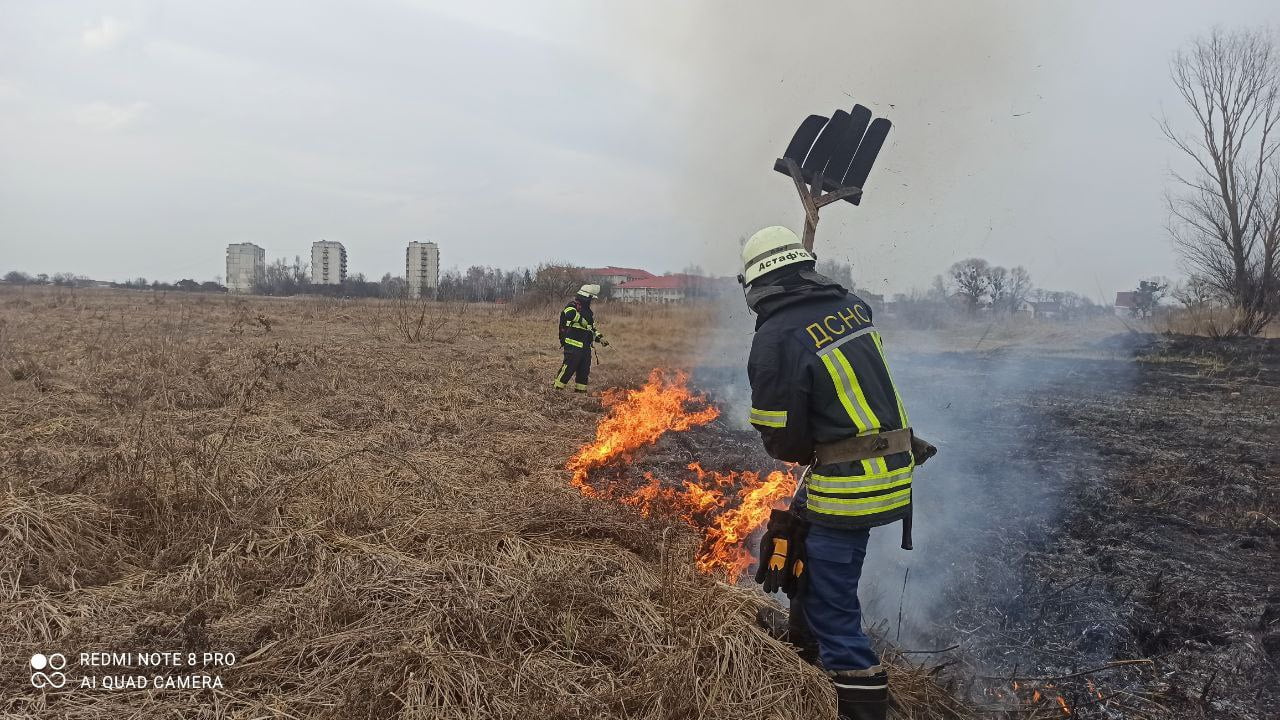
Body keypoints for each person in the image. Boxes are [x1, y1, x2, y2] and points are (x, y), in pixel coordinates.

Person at [741, 226, 935, 720]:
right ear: (803, 268)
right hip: (891, 469)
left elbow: (783, 442)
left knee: (834, 607)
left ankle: (860, 698)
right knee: (798, 546)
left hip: (851, 486)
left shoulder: (774, 339)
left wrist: (809, 443)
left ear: (756, 285)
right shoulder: (851, 305)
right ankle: (801, 656)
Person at [554, 284, 608, 392]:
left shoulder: (588, 312)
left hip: (585, 347)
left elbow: (591, 329)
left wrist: (600, 338)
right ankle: (556, 390)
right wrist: (581, 320)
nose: (591, 300)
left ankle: (580, 393)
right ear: (586, 297)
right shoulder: (573, 305)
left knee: (584, 371)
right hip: (573, 345)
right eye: (591, 298)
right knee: (568, 368)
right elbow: (569, 314)